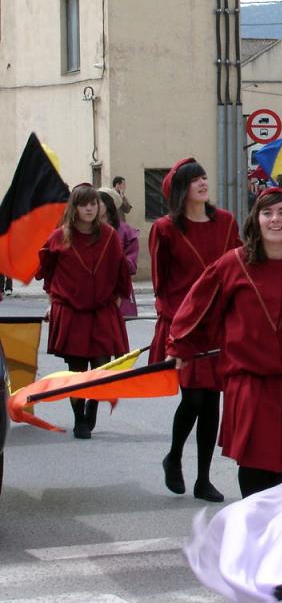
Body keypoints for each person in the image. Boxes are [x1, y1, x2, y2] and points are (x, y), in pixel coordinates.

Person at [167, 187, 282, 498]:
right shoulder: (232, 264)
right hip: (249, 383)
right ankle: (257, 533)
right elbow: (197, 308)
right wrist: (180, 347)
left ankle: (280, 538)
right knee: (254, 467)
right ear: (257, 220)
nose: (275, 219)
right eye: (267, 213)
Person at [150, 158, 242, 503]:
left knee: (212, 401)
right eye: (194, 180)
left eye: (204, 177)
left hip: (218, 325)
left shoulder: (226, 222)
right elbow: (162, 284)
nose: (203, 183)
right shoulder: (165, 229)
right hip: (184, 327)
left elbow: (238, 269)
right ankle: (174, 456)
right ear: (180, 189)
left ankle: (204, 478)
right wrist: (176, 329)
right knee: (193, 398)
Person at [37, 184, 132, 440]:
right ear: (74, 208)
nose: (89, 209)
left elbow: (121, 270)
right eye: (83, 204)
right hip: (72, 311)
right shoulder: (60, 236)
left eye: (93, 204)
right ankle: (79, 419)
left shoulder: (110, 236)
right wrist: (52, 301)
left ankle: (93, 405)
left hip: (102, 310)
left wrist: (120, 297)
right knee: (76, 371)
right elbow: (48, 272)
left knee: (101, 367)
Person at [98, 187, 140, 317]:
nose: (91, 206)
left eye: (97, 201)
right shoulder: (85, 229)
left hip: (117, 290)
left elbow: (131, 265)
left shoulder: (126, 232)